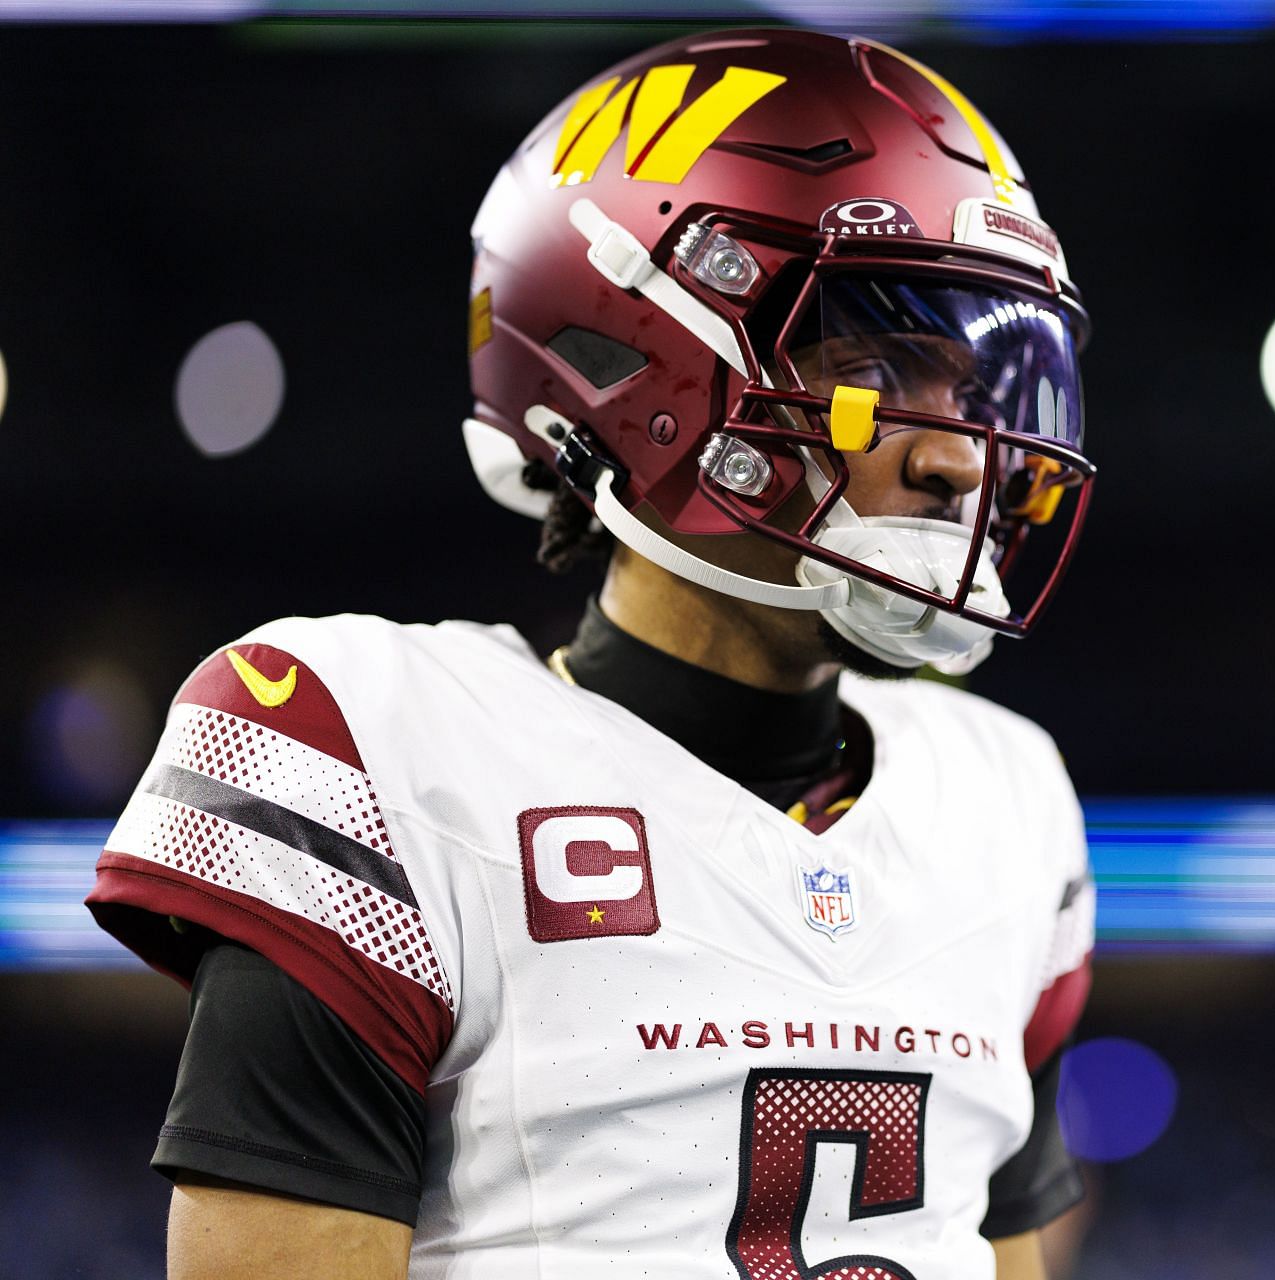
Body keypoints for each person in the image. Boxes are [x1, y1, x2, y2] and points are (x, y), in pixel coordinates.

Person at [86, 27, 1098, 1280]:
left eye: (970, 389)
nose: (953, 454)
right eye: (876, 365)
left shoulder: (1004, 805)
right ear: (637, 360)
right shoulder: (388, 754)